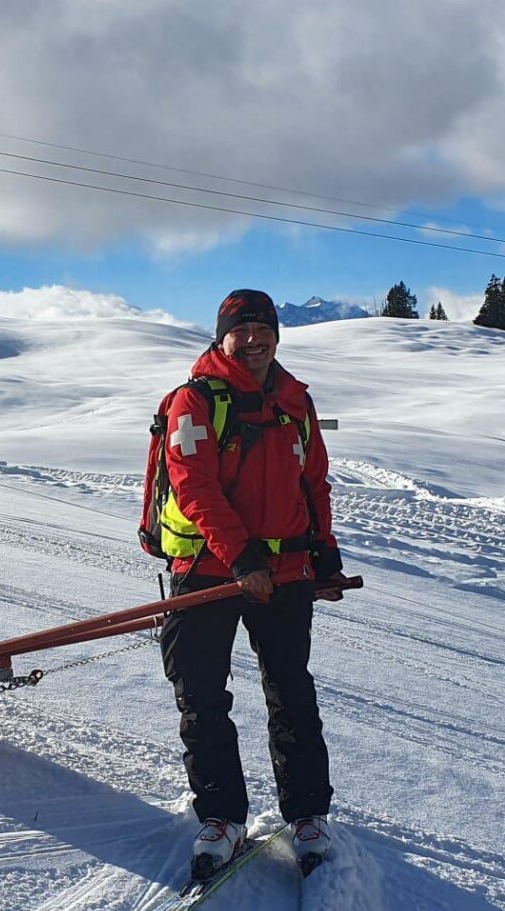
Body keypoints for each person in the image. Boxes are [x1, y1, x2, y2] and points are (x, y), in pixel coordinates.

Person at [153, 288, 342, 879]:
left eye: (265, 330)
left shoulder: (294, 401)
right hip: (206, 570)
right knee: (202, 694)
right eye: (243, 331)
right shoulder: (195, 401)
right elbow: (194, 486)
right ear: (222, 337)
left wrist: (325, 552)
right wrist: (241, 558)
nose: (255, 340)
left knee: (292, 690)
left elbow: (314, 481)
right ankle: (221, 817)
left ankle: (307, 814)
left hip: (285, 571)